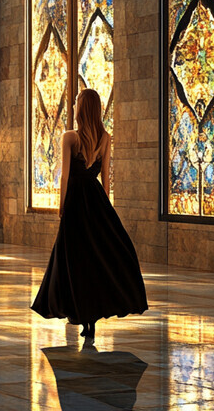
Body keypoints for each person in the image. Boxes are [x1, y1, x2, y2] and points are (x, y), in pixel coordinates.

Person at [31, 88, 147, 339]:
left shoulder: (69, 138)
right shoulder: (106, 138)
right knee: (97, 258)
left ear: (81, 109)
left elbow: (64, 176)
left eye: (75, 104)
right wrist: (105, 212)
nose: (73, 107)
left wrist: (61, 206)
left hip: (75, 202)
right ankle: (91, 318)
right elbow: (106, 179)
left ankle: (81, 315)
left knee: (74, 259)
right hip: (95, 202)